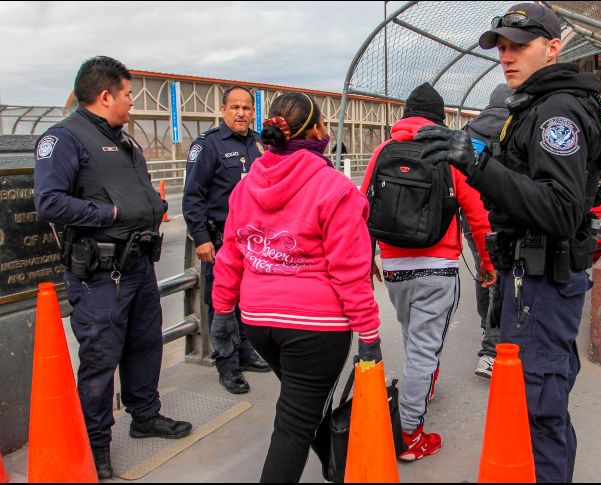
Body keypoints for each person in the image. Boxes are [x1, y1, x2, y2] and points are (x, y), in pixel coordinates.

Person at [416, 4, 601, 482]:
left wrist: (478, 164)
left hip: (543, 281)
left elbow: (561, 209)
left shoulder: (556, 110)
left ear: (553, 48)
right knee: (537, 406)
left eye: (519, 45)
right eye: (501, 46)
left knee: (540, 411)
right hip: (530, 278)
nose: (506, 55)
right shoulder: (536, 104)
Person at [33, 56, 192, 479]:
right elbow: (48, 202)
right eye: (127, 94)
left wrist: (150, 208)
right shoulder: (64, 138)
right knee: (101, 359)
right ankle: (95, 445)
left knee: (145, 345)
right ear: (106, 96)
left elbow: (137, 191)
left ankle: (145, 415)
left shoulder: (124, 140)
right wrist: (113, 213)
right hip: (101, 274)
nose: (132, 102)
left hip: (137, 265)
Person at [210, 92, 382, 482]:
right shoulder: (333, 189)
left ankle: (341, 469)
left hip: (259, 323)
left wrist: (223, 311)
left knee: (304, 405)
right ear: (317, 131)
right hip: (315, 328)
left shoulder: (246, 186)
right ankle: (342, 468)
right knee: (294, 424)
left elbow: (231, 256)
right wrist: (369, 332)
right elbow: (349, 269)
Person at [361, 82, 496, 461]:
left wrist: (366, 255)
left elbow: (363, 206)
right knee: (423, 346)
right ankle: (409, 435)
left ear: (406, 115)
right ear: (439, 119)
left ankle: (424, 386)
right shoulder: (448, 152)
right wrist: (488, 264)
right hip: (437, 265)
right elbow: (478, 216)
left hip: (394, 265)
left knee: (413, 335)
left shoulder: (384, 150)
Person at [183, 85, 270, 395]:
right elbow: (193, 196)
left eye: (247, 108)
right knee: (222, 303)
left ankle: (246, 352)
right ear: (223, 110)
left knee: (247, 300)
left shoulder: (259, 144)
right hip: (221, 240)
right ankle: (227, 364)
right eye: (235, 107)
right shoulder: (208, 146)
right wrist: (202, 238)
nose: (241, 113)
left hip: (255, 240)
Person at [462, 82, 513, 379]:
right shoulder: (516, 126)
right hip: (504, 213)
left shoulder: (470, 130)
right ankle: (491, 348)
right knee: (501, 275)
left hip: (473, 214)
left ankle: (486, 325)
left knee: (485, 269)